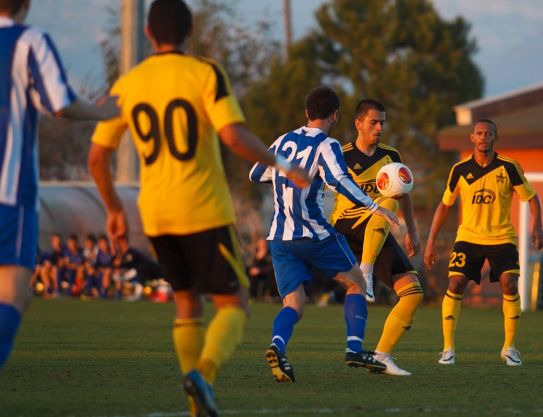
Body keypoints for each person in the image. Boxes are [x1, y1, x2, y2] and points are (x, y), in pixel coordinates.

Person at [87, 0, 308, 415]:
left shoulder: (129, 83)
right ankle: (204, 375)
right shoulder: (204, 72)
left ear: (149, 34)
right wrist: (282, 164)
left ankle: (195, 406)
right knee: (234, 302)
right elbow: (234, 137)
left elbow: (97, 157)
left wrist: (115, 209)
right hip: (203, 209)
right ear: (190, 34)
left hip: (155, 214)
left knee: (187, 304)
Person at [250, 86, 399, 383]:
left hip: (280, 237)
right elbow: (338, 180)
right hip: (314, 233)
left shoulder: (283, 140)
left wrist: (286, 175)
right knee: (357, 283)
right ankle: (354, 349)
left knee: (294, 304)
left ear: (307, 113)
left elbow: (255, 173)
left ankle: (277, 345)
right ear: (335, 115)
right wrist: (374, 206)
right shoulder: (326, 145)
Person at [0, 0, 119, 369]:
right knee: (14, 291)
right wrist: (102, 111)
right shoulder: (28, 41)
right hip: (10, 189)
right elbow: (60, 102)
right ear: (27, 4)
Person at [424, 118, 543, 366]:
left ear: (494, 138)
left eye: (488, 134)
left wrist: (537, 226)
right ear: (472, 138)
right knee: (456, 283)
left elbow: (532, 198)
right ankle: (448, 349)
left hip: (502, 237)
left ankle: (509, 348)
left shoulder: (509, 167)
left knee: (510, 284)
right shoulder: (459, 169)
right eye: (479, 133)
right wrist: (430, 241)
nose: (483, 137)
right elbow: (444, 206)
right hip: (468, 237)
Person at [330, 99, 424, 376]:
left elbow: (403, 192)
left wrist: (413, 231)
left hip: (378, 228)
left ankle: (382, 356)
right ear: (358, 123)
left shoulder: (390, 156)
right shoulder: (339, 154)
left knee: (412, 292)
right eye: (374, 121)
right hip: (346, 231)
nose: (379, 127)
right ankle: (366, 271)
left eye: (382, 122)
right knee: (385, 204)